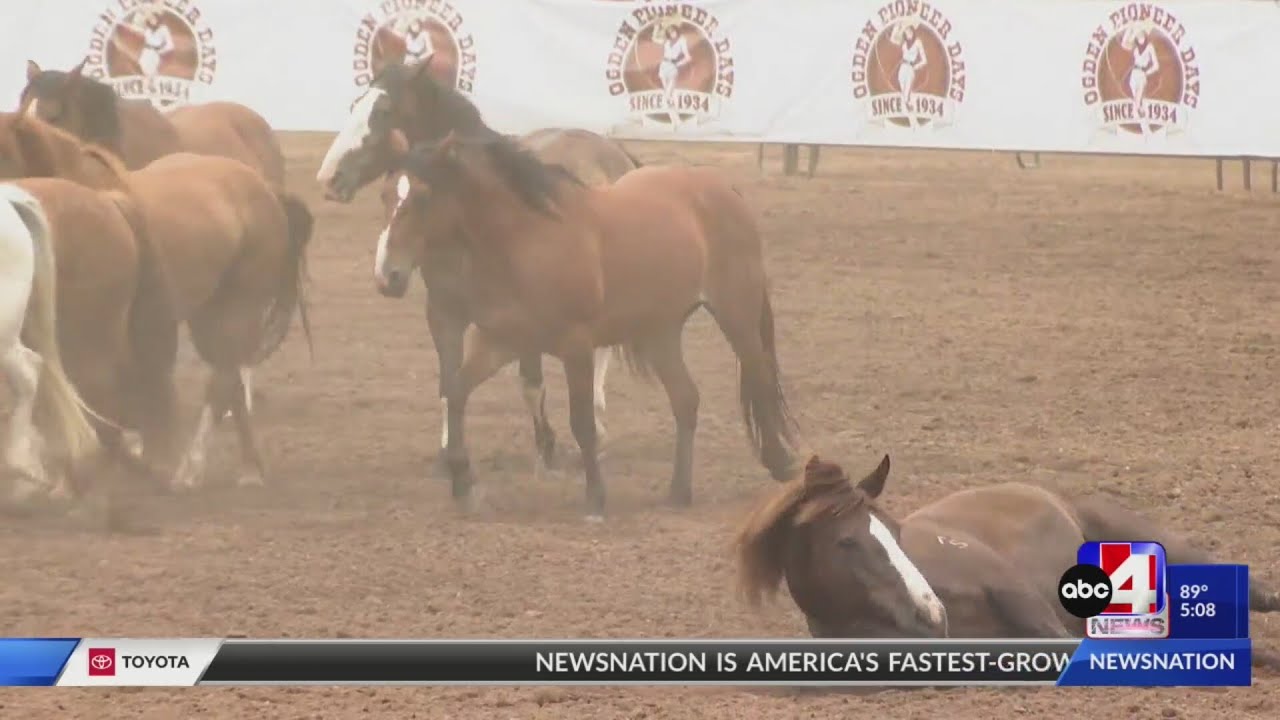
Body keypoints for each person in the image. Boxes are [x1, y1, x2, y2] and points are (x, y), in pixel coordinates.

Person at [892, 20, 927, 129]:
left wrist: (915, 66)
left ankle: (914, 123)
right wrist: (897, 26)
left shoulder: (918, 42)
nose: (907, 32)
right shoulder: (903, 42)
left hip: (910, 69)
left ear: (912, 29)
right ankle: (914, 123)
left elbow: (924, 60)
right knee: (905, 97)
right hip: (902, 68)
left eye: (908, 29)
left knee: (906, 96)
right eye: (905, 30)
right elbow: (893, 39)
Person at [136, 9, 174, 78]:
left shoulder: (163, 29)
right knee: (142, 71)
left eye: (154, 18)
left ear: (157, 18)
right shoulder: (147, 29)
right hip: (145, 52)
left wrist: (160, 50)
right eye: (150, 19)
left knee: (152, 73)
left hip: (155, 53)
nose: (152, 20)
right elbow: (136, 25)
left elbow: (170, 45)